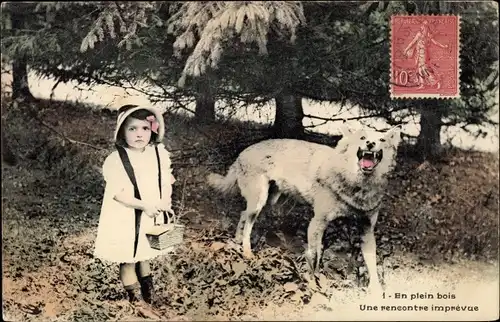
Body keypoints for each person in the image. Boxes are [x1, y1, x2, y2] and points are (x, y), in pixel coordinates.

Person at [93, 104, 176, 317]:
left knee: (144, 253)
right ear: (122, 132)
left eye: (145, 129)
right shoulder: (116, 160)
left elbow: (166, 179)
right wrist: (144, 205)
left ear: (153, 131)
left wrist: (164, 200)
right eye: (132, 129)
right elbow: (118, 193)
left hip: (150, 214)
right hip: (126, 215)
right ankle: (135, 299)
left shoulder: (158, 153)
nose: (139, 134)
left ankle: (149, 293)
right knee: (129, 256)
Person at [404, 20, 449, 89]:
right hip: (419, 53)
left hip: (423, 53)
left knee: (424, 68)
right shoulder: (422, 34)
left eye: (424, 26)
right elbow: (413, 42)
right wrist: (406, 49)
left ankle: (436, 81)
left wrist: (443, 46)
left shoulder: (426, 35)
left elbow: (435, 43)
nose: (423, 27)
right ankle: (422, 84)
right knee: (420, 68)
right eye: (423, 26)